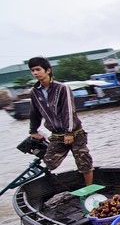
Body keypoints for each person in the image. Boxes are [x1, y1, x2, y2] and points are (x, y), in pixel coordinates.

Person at [27, 56, 94, 186]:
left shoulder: (62, 88)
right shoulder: (35, 92)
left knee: (84, 162)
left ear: (47, 70)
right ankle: (53, 187)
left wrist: (69, 132)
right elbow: (34, 113)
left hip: (74, 133)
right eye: (32, 70)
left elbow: (68, 110)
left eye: (38, 69)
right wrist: (33, 130)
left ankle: (89, 190)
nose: (35, 73)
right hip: (56, 134)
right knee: (49, 161)